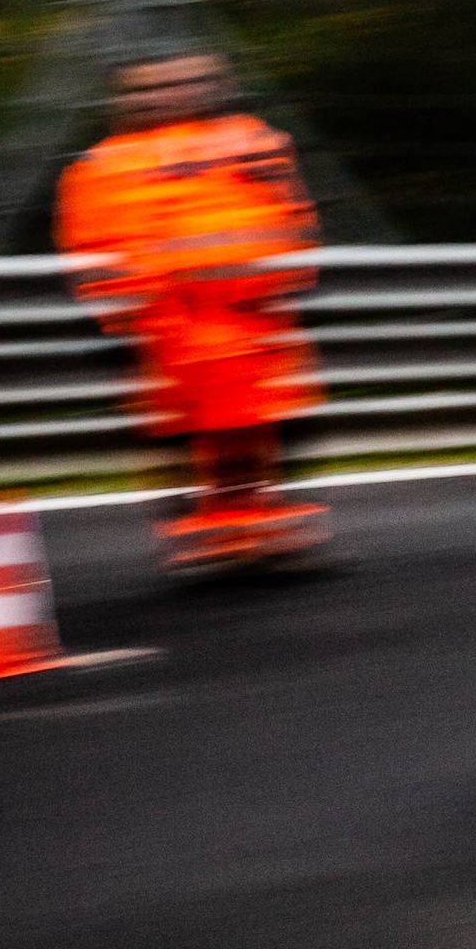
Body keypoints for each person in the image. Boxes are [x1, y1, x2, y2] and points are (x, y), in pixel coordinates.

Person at [55, 52, 327, 569]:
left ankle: (263, 520)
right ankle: (205, 526)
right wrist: (126, 314)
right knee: (182, 432)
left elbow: (294, 217)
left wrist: (284, 278)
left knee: (274, 419)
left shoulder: (253, 140)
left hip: (255, 319)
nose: (167, 96)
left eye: (193, 82)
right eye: (144, 90)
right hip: (166, 330)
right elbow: (91, 251)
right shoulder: (103, 163)